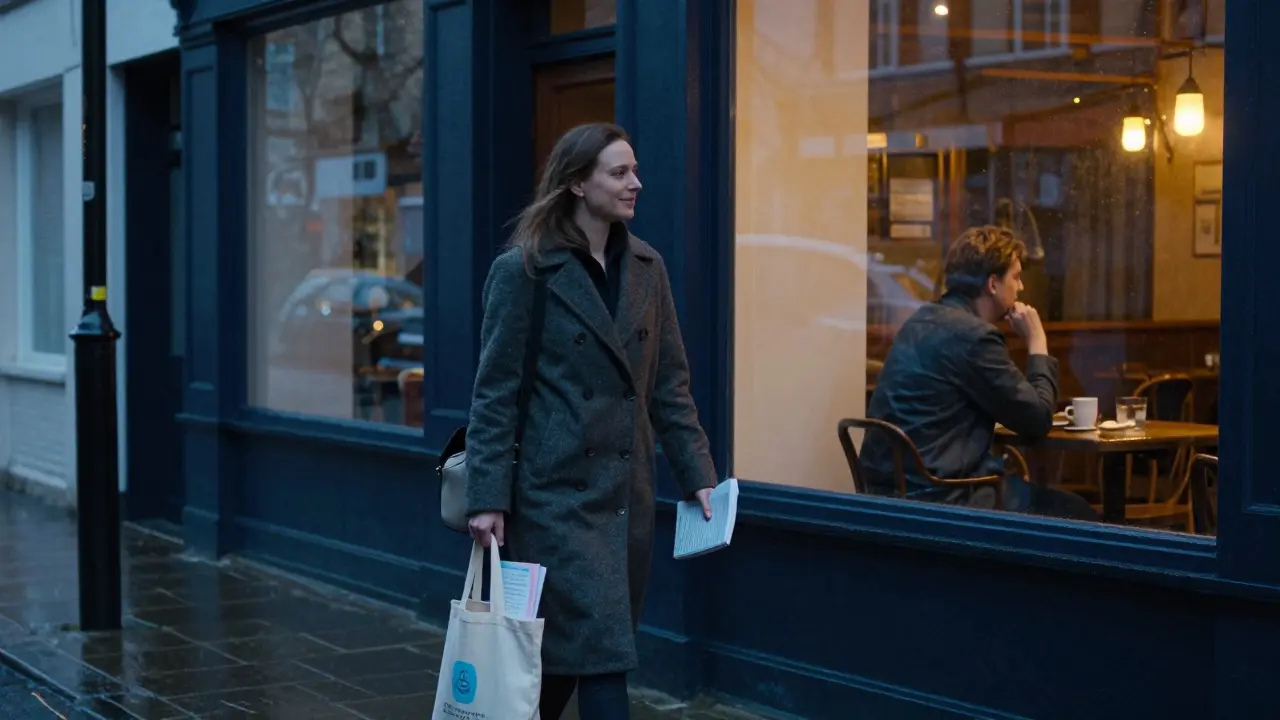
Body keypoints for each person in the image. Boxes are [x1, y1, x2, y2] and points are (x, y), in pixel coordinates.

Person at [464, 122, 719, 720]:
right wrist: (487, 496)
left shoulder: (648, 270)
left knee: (554, 668)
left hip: (624, 499)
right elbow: (495, 391)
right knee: (603, 662)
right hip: (552, 500)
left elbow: (669, 385)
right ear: (578, 183)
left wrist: (698, 474)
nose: (636, 183)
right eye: (619, 172)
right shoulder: (524, 269)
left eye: (633, 170)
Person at [862, 225, 1098, 520]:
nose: (1021, 288)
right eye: (1016, 277)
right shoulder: (974, 336)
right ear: (992, 284)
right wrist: (1037, 342)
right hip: (942, 496)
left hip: (887, 491)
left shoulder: (922, 320)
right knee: (1078, 513)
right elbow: (1036, 420)